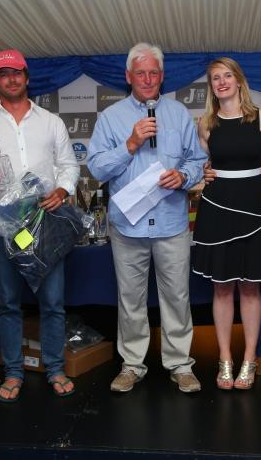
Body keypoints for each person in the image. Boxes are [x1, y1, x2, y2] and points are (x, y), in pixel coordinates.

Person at [88, 42, 207, 394]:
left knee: (176, 297)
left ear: (162, 77)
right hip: (128, 226)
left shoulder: (177, 113)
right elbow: (96, 167)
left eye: (154, 73)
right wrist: (130, 143)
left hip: (171, 223)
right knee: (131, 299)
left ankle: (180, 365)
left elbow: (196, 159)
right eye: (141, 73)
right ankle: (132, 365)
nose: (148, 79)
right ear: (129, 77)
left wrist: (183, 176)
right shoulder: (111, 118)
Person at [0, 49, 79, 402]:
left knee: (53, 303)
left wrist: (62, 189)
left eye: (17, 73)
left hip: (45, 227)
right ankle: (13, 372)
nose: (11, 79)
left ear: (26, 78)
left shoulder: (51, 122)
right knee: (8, 303)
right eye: (3, 74)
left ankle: (55, 368)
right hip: (3, 231)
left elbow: (69, 166)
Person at [193, 58, 261, 390]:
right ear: (211, 86)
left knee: (252, 286)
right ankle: (225, 358)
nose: (222, 82)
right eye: (216, 78)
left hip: (254, 207)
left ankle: (250, 359)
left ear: (239, 81)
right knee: (223, 287)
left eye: (228, 76)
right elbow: (201, 164)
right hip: (217, 208)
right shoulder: (206, 123)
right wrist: (201, 173)